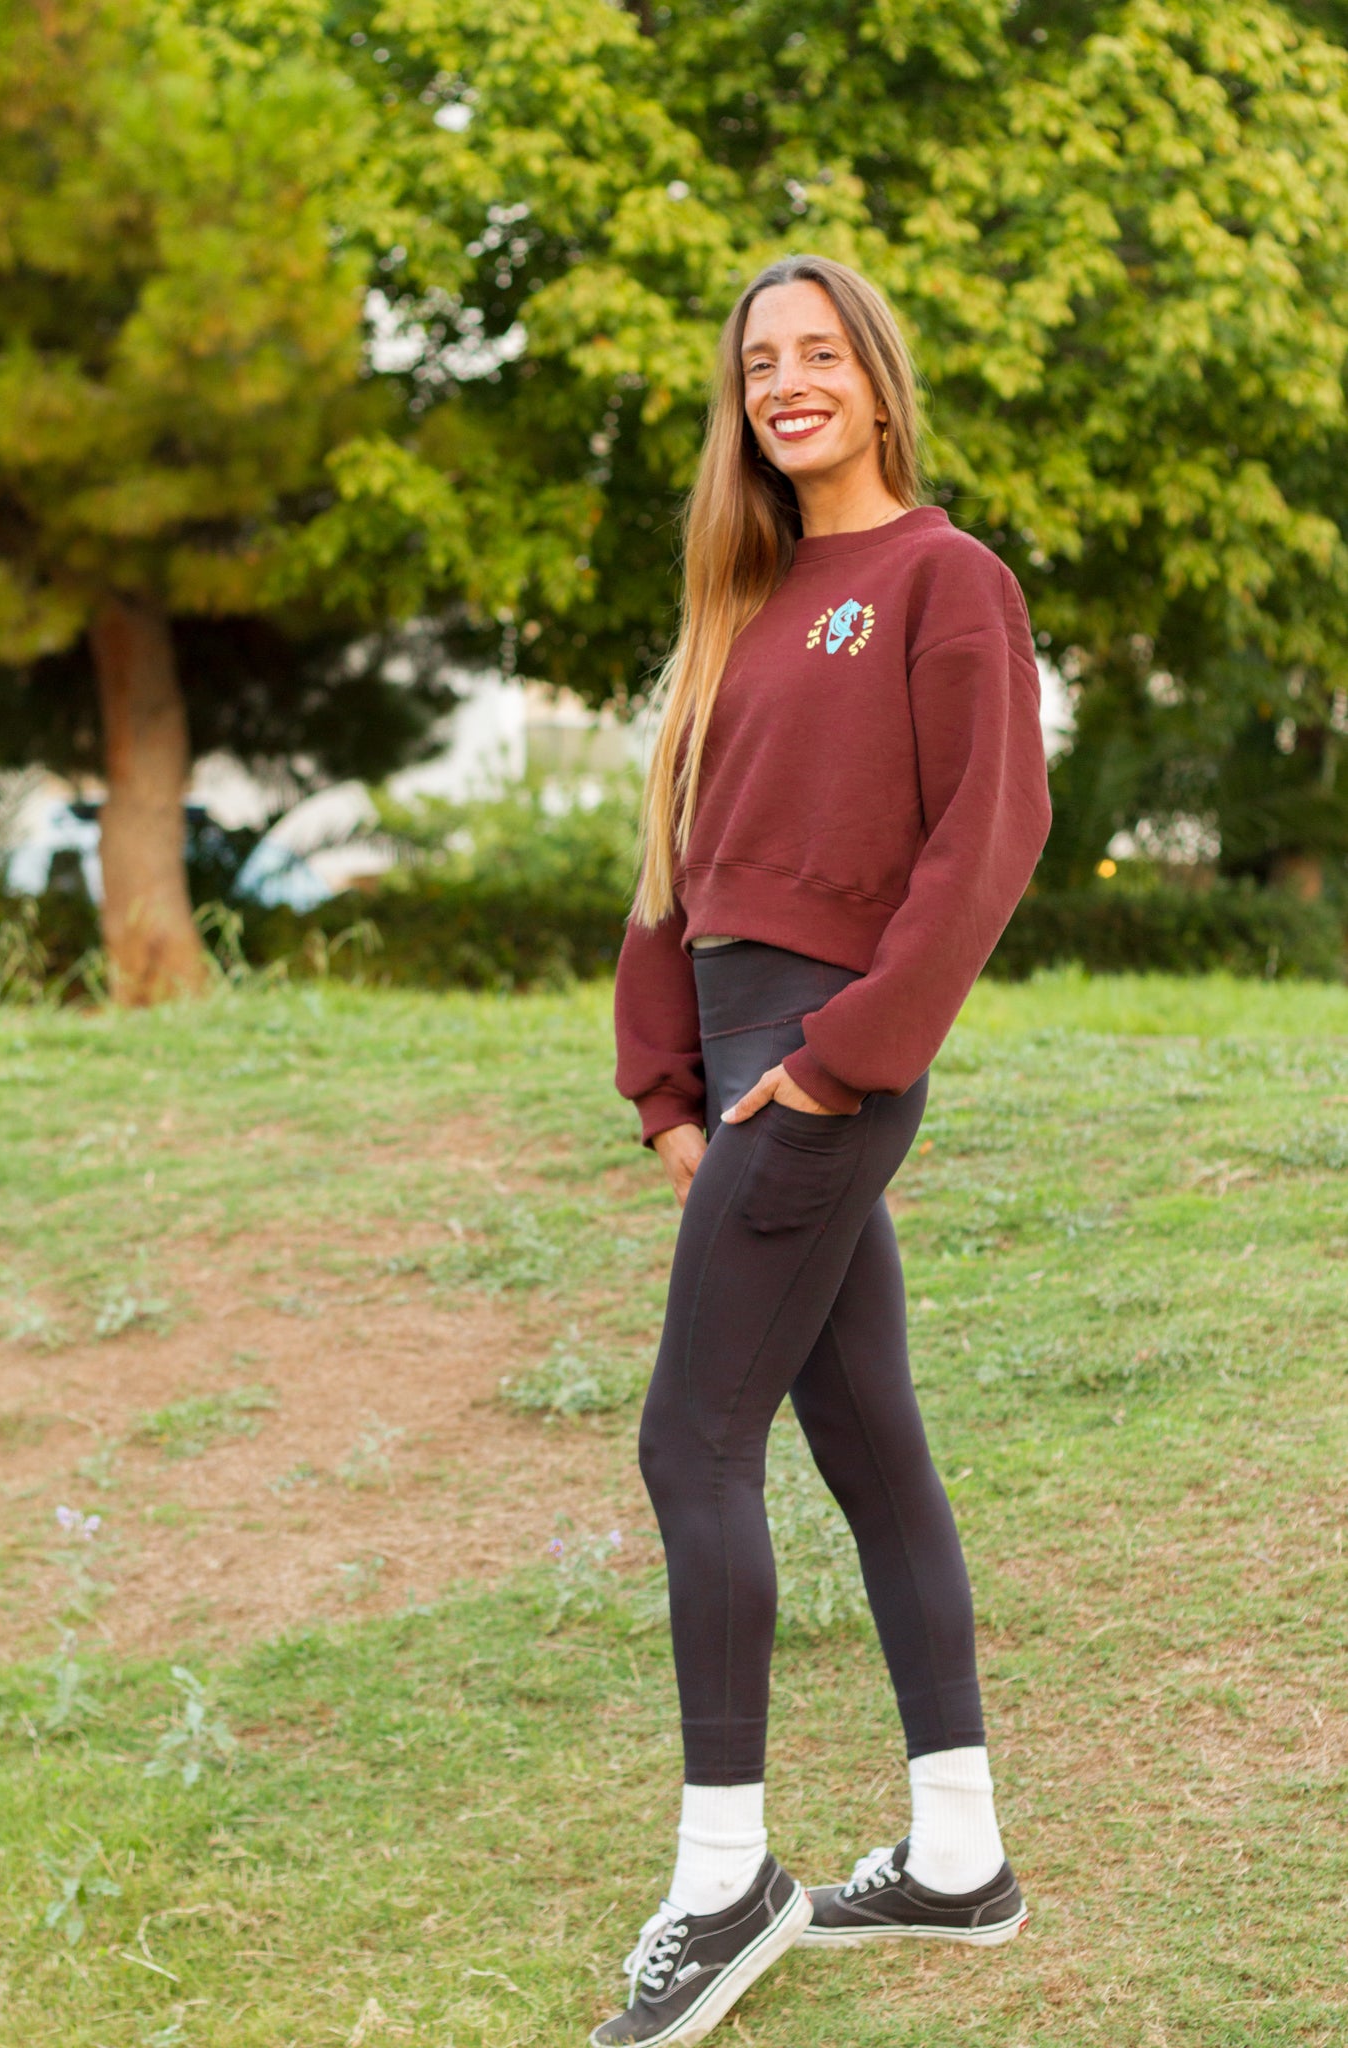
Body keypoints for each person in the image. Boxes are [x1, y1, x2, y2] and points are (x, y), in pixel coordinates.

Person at [597, 253, 1052, 2048]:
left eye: (816, 355)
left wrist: (837, 1066)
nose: (785, 384)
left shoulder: (946, 582)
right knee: (866, 1442)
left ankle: (727, 1883)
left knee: (688, 1439)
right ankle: (957, 1856)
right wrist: (665, 1085)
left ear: (874, 377)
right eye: (756, 365)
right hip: (737, 1058)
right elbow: (675, 857)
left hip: (825, 1056)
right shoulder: (743, 597)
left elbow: (986, 843)